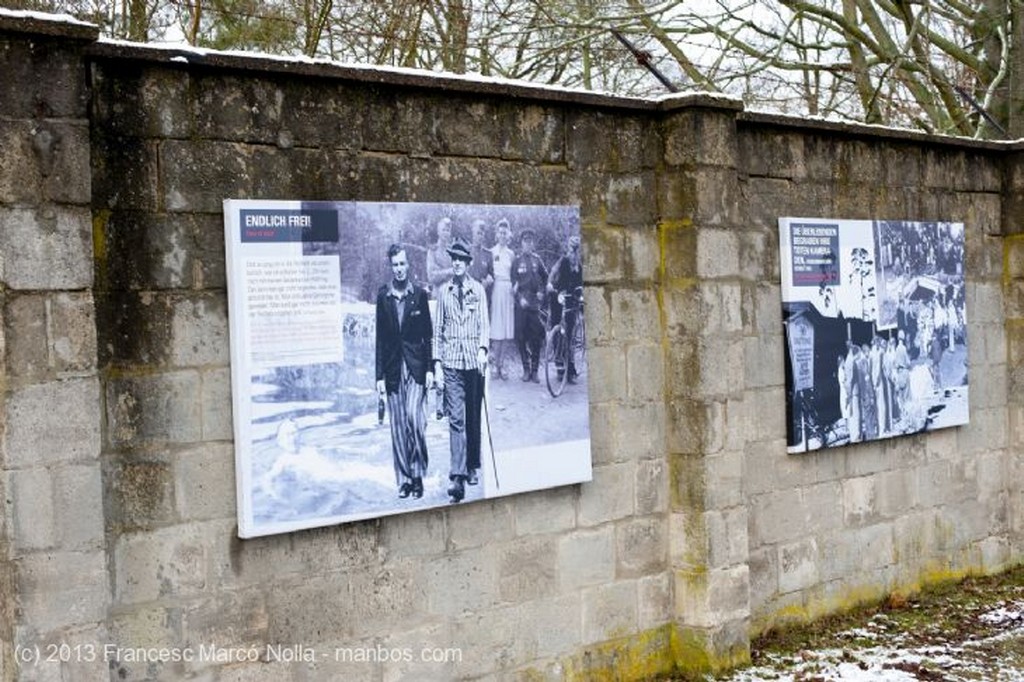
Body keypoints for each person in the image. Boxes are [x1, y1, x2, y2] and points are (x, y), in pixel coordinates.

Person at [433, 238, 489, 504]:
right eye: (453, 258)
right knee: (456, 418)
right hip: (452, 363)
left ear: (468, 263)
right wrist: (437, 365)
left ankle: (472, 465)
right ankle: (457, 476)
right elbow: (437, 333)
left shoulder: (478, 290)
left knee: (472, 417)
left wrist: (483, 350)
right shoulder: (443, 293)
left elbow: (484, 326)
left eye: (461, 258)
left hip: (473, 363)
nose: (456, 262)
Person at [375, 244, 434, 500]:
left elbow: (428, 336)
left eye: (402, 264)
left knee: (414, 418)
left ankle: (418, 473)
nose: (399, 269)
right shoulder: (383, 296)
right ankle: (405, 479)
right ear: (391, 266)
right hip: (392, 369)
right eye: (395, 265)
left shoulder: (419, 295)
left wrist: (431, 369)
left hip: (416, 367)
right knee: (397, 426)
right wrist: (378, 376)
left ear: (409, 265)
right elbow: (380, 339)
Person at [511, 229, 547, 383]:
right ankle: (525, 369)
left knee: (536, 337)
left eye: (530, 241)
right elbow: (513, 283)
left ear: (533, 243)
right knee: (520, 337)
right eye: (525, 241)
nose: (528, 243)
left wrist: (541, 292)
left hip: (533, 304)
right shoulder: (516, 261)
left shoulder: (537, 260)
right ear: (521, 243)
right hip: (521, 304)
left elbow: (545, 278)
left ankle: (535, 370)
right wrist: (519, 298)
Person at [547, 234, 583, 383]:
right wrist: (550, 286)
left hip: (571, 302)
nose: (573, 252)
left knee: (570, 335)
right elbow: (552, 275)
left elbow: (580, 285)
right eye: (571, 248)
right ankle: (559, 367)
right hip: (558, 299)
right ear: (567, 248)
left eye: (576, 249)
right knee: (557, 332)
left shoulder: (579, 267)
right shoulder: (563, 262)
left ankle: (571, 369)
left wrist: (579, 295)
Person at [489, 218, 516, 379]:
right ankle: (494, 364)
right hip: (496, 289)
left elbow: (514, 276)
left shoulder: (511, 254)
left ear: (508, 234)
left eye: (505, 232)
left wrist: (515, 288)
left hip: (508, 291)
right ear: (496, 234)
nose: (502, 234)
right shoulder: (491, 252)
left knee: (506, 329)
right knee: (496, 328)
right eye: (500, 231)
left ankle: (502, 365)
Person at [426, 216, 455, 294]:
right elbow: (431, 276)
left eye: (448, 230)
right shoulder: (433, 251)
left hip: (452, 294)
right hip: (438, 294)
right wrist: (449, 272)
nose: (446, 233)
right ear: (438, 232)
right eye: (443, 230)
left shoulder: (453, 252)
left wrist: (440, 272)